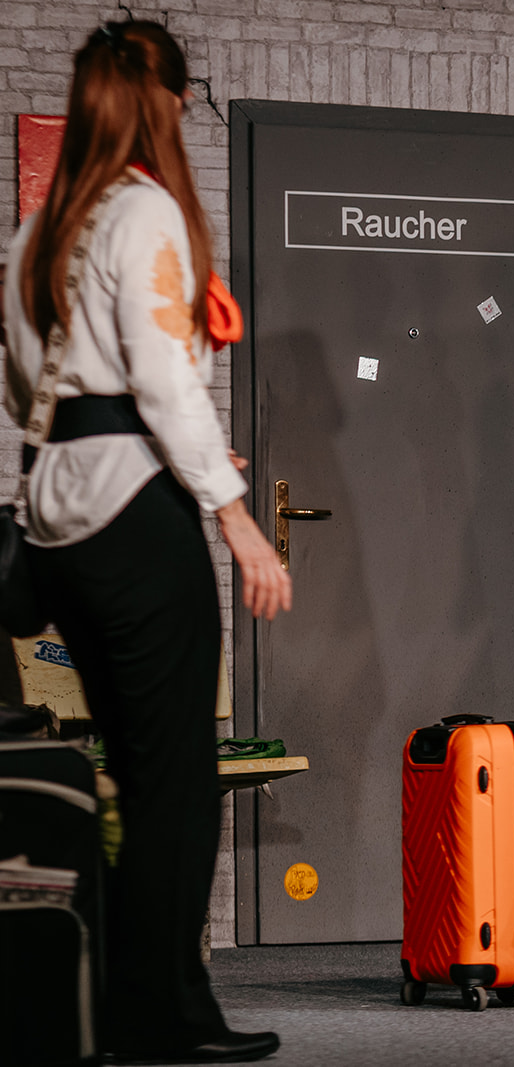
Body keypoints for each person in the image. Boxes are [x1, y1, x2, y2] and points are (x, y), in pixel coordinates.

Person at [2, 21, 291, 1062]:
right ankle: (163, 1014)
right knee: (173, 776)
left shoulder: (38, 229)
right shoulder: (145, 209)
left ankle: (121, 1003)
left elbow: (25, 389)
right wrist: (237, 518)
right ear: (163, 101)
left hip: (57, 520)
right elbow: (165, 385)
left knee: (127, 765)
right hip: (135, 514)